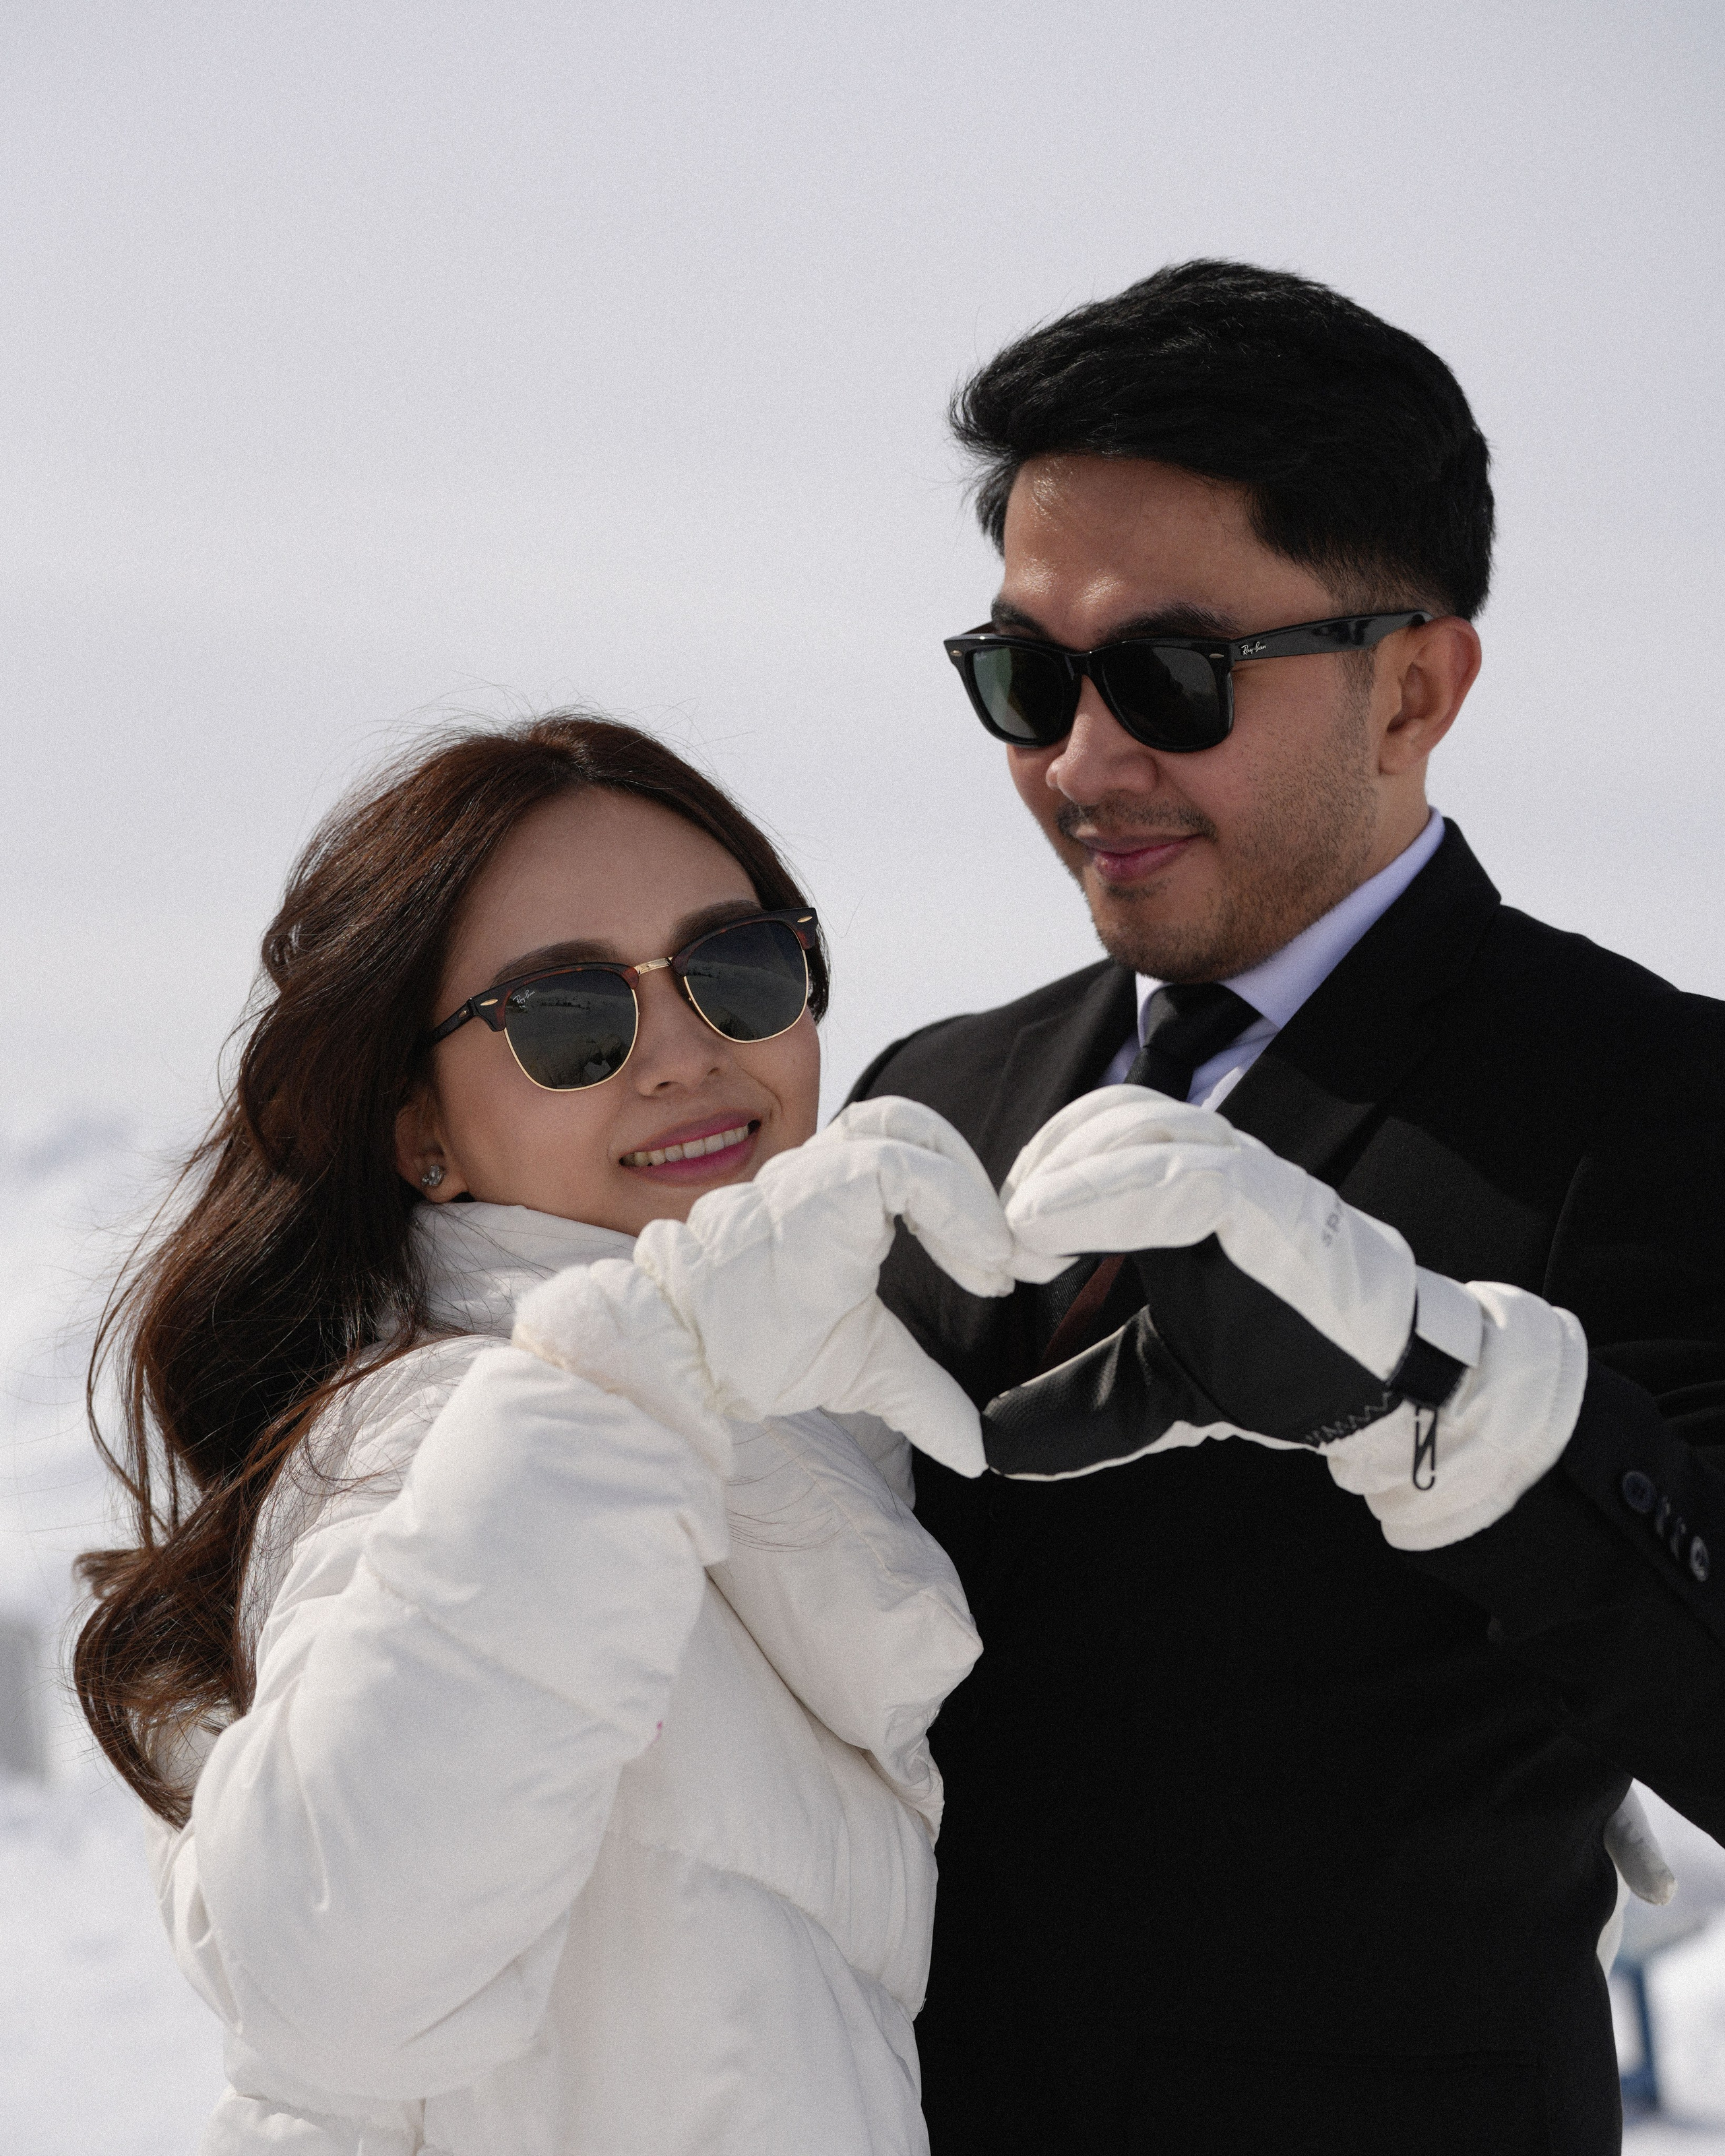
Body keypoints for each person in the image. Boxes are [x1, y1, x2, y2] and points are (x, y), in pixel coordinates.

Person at [850, 261, 1725, 2155]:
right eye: (1025, 677)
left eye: (1170, 676)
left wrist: (1443, 1394)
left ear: (1415, 684)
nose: (1082, 765)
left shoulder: (1656, 1108)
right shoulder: (929, 1096)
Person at [74, 714, 1019, 2156]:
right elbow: (333, 1972)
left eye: (740, 969)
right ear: (420, 1131)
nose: (686, 1052)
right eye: (571, 1017)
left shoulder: (780, 1418)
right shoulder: (436, 1436)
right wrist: (634, 1383)